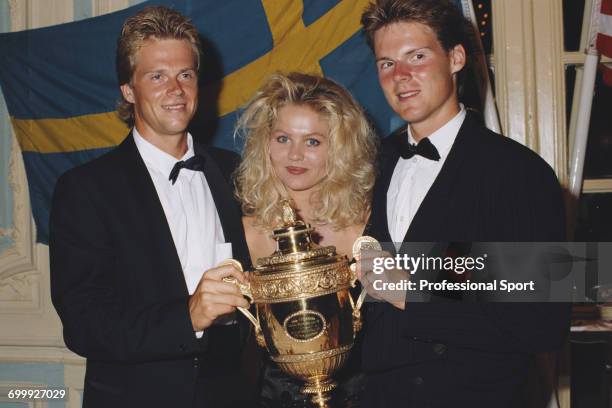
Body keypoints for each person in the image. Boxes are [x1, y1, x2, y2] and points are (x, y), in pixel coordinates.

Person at [357, 0, 571, 407]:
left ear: (455, 58)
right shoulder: (370, 163)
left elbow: (543, 324)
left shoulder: (518, 172)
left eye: (416, 56)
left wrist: (417, 293)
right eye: (387, 63)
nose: (400, 76)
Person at [49, 6, 254, 408]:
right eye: (156, 76)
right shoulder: (85, 189)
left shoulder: (236, 173)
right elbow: (84, 324)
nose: (175, 90)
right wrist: (188, 317)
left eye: (185, 74)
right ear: (129, 90)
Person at [233, 72, 378, 407]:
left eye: (312, 141)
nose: (294, 155)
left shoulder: (372, 222)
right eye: (283, 139)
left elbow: (493, 279)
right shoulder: (238, 230)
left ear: (340, 148)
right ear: (265, 143)